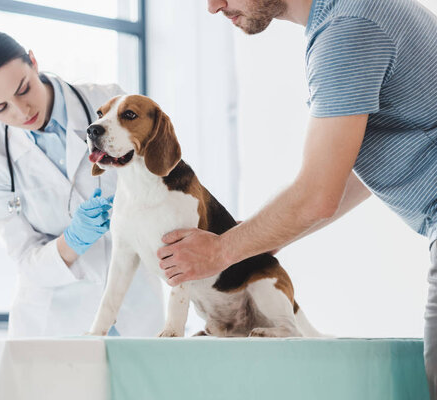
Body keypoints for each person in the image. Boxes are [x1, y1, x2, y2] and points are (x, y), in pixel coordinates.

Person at [156, 0, 437, 393]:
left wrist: (222, 251)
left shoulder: (346, 29)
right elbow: (343, 178)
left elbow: (317, 194)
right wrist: (255, 245)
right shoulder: (357, 12)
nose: (213, 6)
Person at [0, 30, 164, 338]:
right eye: (0, 108)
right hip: (55, 316)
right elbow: (26, 258)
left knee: (147, 384)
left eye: (24, 89)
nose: (21, 111)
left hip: (135, 297)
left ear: (33, 62)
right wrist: (73, 241)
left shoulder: (108, 103)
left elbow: (161, 182)